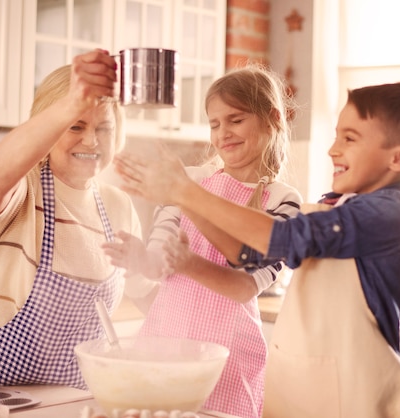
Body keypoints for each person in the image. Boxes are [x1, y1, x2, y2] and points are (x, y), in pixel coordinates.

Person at [115, 81, 400, 417]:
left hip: (356, 384)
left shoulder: (388, 212)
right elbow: (249, 253)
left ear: (398, 158)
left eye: (350, 138)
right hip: (310, 377)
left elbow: (284, 240)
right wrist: (184, 203)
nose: (332, 149)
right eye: (337, 135)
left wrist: (185, 192)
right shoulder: (337, 205)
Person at [103, 65, 302, 418]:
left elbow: (244, 288)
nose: (223, 133)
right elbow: (157, 265)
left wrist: (189, 257)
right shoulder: (190, 180)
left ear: (271, 118)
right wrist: (138, 259)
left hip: (227, 361)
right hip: (165, 347)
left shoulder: (283, 202)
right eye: (214, 123)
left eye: (235, 119)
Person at [0, 49, 143, 389]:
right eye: (76, 125)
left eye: (104, 127)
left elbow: (146, 290)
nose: (91, 140)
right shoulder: (23, 186)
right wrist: (74, 99)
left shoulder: (118, 206)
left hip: (74, 402)